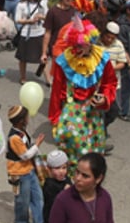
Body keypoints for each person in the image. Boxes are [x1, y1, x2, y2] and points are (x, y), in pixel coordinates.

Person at [48, 17, 117, 157]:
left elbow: (110, 82)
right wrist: (55, 118)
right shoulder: (65, 60)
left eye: (81, 45)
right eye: (75, 45)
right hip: (71, 110)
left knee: (93, 152)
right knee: (76, 151)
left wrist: (105, 98)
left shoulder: (101, 58)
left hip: (93, 111)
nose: (77, 49)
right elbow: (56, 90)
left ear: (90, 42)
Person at [5, 105, 45, 223]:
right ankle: (21, 222)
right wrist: (37, 144)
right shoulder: (14, 138)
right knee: (23, 199)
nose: (29, 118)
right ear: (21, 120)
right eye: (27, 116)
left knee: (37, 197)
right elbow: (25, 155)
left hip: (29, 169)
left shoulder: (22, 132)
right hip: (19, 173)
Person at [40, 0, 79, 83]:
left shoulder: (74, 12)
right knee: (57, 81)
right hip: (56, 50)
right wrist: (44, 53)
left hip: (70, 51)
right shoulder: (53, 11)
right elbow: (47, 33)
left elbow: (79, 32)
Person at [13, 0, 47, 83]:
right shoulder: (21, 4)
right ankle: (23, 77)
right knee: (23, 58)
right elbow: (17, 19)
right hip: (25, 34)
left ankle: (48, 79)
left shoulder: (42, 4)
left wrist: (41, 17)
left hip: (39, 32)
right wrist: (29, 21)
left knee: (43, 57)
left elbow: (48, 17)